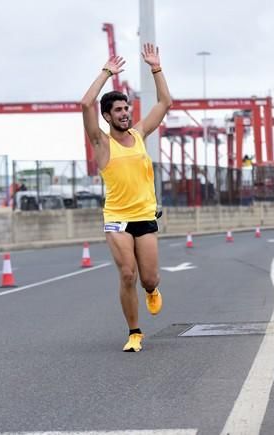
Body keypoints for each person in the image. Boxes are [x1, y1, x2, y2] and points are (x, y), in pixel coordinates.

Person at [80, 43, 171, 352]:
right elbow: (85, 103)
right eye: (117, 110)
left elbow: (165, 102)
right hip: (117, 218)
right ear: (107, 116)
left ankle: (152, 290)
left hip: (145, 216)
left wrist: (156, 68)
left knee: (148, 278)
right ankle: (135, 332)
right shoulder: (101, 143)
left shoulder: (140, 134)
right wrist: (107, 72)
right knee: (127, 274)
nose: (124, 113)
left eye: (126, 108)